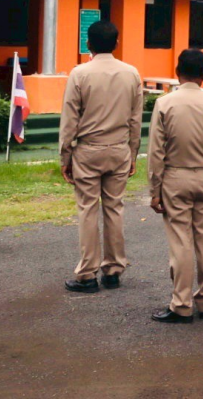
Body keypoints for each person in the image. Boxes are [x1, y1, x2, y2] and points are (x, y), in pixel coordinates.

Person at [147, 48, 203, 323]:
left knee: (181, 242)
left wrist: (154, 189)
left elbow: (156, 152)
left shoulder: (165, 103)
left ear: (177, 72)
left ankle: (181, 304)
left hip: (175, 178)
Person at [58, 20, 144, 293]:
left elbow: (70, 119)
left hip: (88, 149)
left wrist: (65, 155)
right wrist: (133, 153)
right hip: (119, 148)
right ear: (116, 43)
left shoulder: (79, 73)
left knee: (87, 209)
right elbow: (135, 118)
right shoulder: (131, 73)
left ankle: (87, 274)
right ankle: (113, 270)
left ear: (88, 43)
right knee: (114, 208)